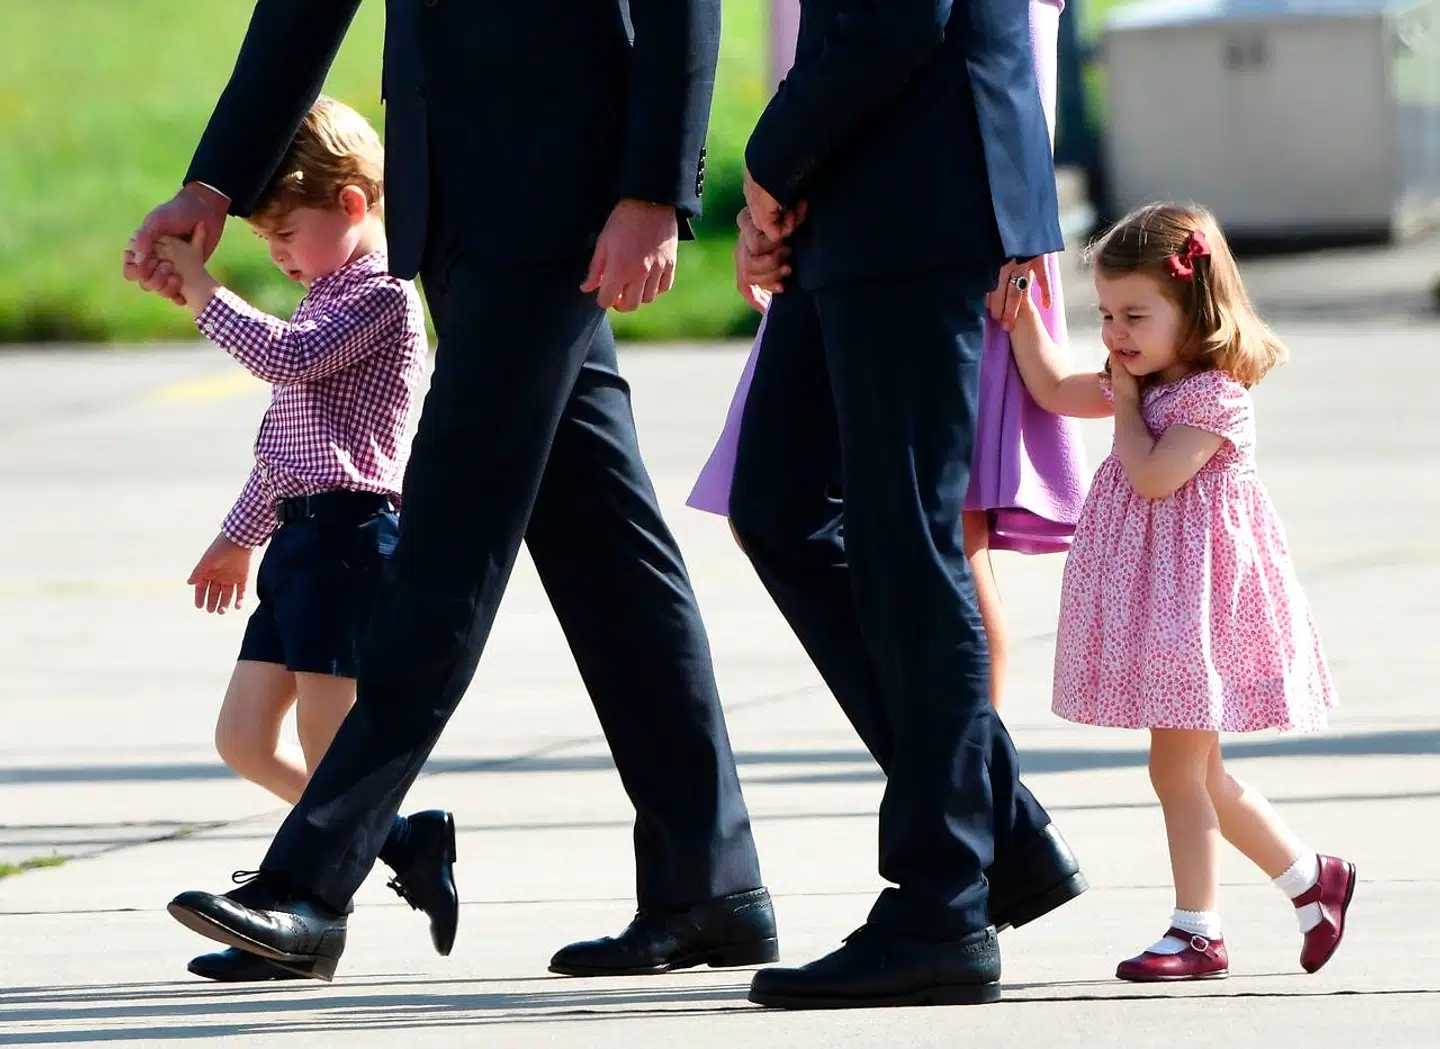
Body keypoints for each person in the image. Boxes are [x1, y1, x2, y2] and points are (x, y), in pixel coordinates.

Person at [124, 0, 773, 983]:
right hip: (454, 203)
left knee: (441, 551)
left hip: (567, 196)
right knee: (611, 557)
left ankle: (310, 880)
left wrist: (654, 186)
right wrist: (215, 182)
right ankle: (709, 881)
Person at [723, 0, 1088, 1011]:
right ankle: (997, 828)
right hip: (862, 180)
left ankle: (940, 905)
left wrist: (772, 159)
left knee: (907, 545)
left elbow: (896, 19)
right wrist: (779, 190)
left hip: (914, 183)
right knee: (783, 505)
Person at [688, 0, 1089, 712]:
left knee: (932, 547)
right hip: (848, 213)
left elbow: (953, 37)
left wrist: (773, 167)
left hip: (949, 224)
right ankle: (989, 807)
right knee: (816, 519)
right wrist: (772, 195)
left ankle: (977, 807)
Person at [145, 96, 457, 983]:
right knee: (244, 738)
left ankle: (306, 911)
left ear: (355, 203)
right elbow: (285, 444)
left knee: (330, 740)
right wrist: (235, 536)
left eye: (286, 237)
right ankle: (400, 841)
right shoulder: (328, 292)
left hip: (355, 539)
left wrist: (205, 292)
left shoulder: (383, 295)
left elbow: (284, 359)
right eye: (269, 246)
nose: (278, 258)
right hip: (297, 542)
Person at [1006, 201, 1356, 981]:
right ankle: (1312, 879)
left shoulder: (1212, 395)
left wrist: (1127, 405)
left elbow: (1154, 476)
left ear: (1193, 307)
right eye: (1105, 314)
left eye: (1135, 314)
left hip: (1200, 609)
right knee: (1198, 773)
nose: (1116, 334)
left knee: (1177, 771)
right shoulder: (1142, 375)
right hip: (1165, 606)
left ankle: (1199, 930)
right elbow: (1058, 389)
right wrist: (1025, 316)